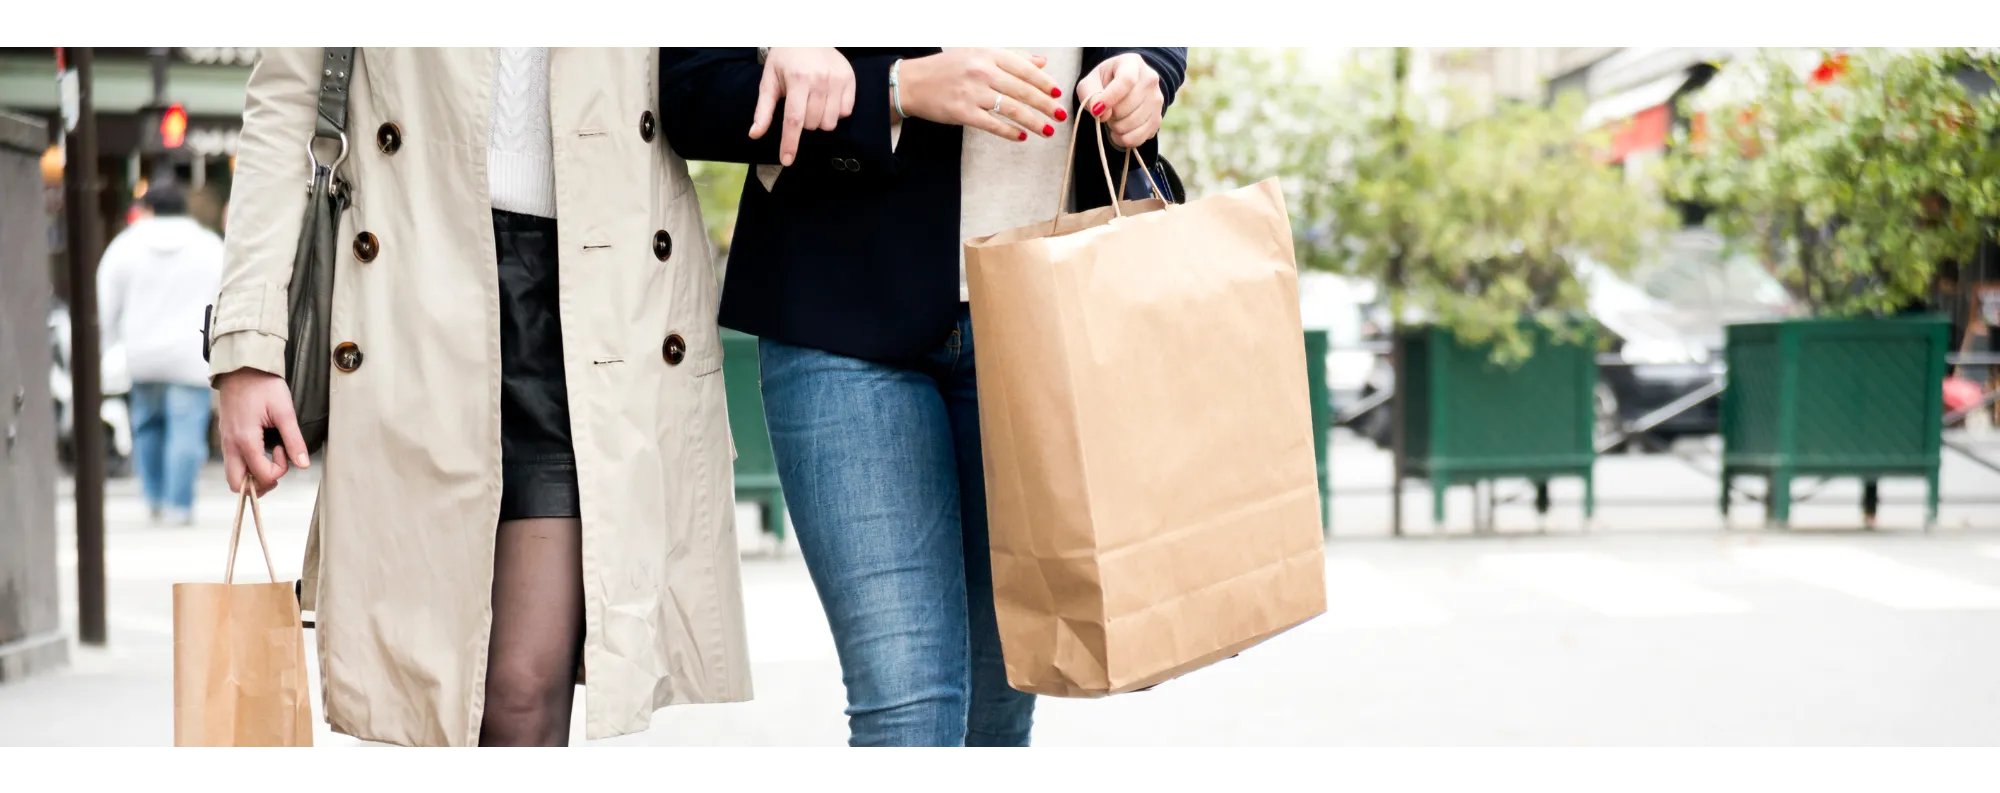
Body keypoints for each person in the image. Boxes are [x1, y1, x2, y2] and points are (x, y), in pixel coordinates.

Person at [206, 41, 791, 750]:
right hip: (414, 279)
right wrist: (247, 347)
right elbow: (284, 108)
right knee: (431, 686)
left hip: (592, 291)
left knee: (518, 691)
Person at [662, 40, 1187, 751]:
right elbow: (695, 90)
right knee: (908, 716)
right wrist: (896, 88)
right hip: (842, 310)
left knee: (997, 724)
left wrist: (1144, 68)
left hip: (1044, 322)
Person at [98, 182, 223, 526]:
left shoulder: (125, 246)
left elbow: (106, 305)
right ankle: (178, 505)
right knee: (186, 431)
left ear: (148, 209)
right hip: (191, 356)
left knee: (148, 426)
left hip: (142, 354)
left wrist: (108, 347)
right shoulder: (209, 245)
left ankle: (154, 497)